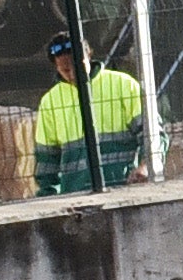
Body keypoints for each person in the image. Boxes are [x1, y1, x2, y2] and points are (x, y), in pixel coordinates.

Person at [31, 37, 148, 194]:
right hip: (75, 197)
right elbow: (47, 159)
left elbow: (151, 133)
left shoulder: (123, 85)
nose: (73, 74)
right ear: (56, 67)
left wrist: (145, 166)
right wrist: (49, 197)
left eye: (77, 65)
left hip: (125, 189)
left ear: (90, 56)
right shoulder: (50, 102)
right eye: (65, 70)